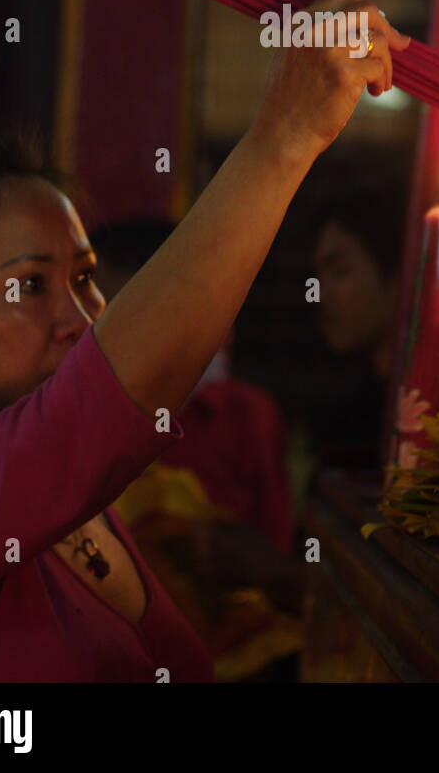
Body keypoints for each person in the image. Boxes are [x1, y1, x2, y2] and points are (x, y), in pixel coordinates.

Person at [0, 0, 409, 682]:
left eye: (86, 277)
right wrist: (283, 135)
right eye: (31, 286)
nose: (81, 316)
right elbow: (90, 415)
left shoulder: (79, 510)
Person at [91, 218, 303, 681]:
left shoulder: (244, 414)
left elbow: (274, 552)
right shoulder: (80, 417)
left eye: (112, 312)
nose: (92, 330)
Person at [306, 185, 405, 471]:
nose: (320, 294)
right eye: (318, 275)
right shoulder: (345, 410)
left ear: (397, 275)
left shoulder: (415, 409)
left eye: (339, 272)